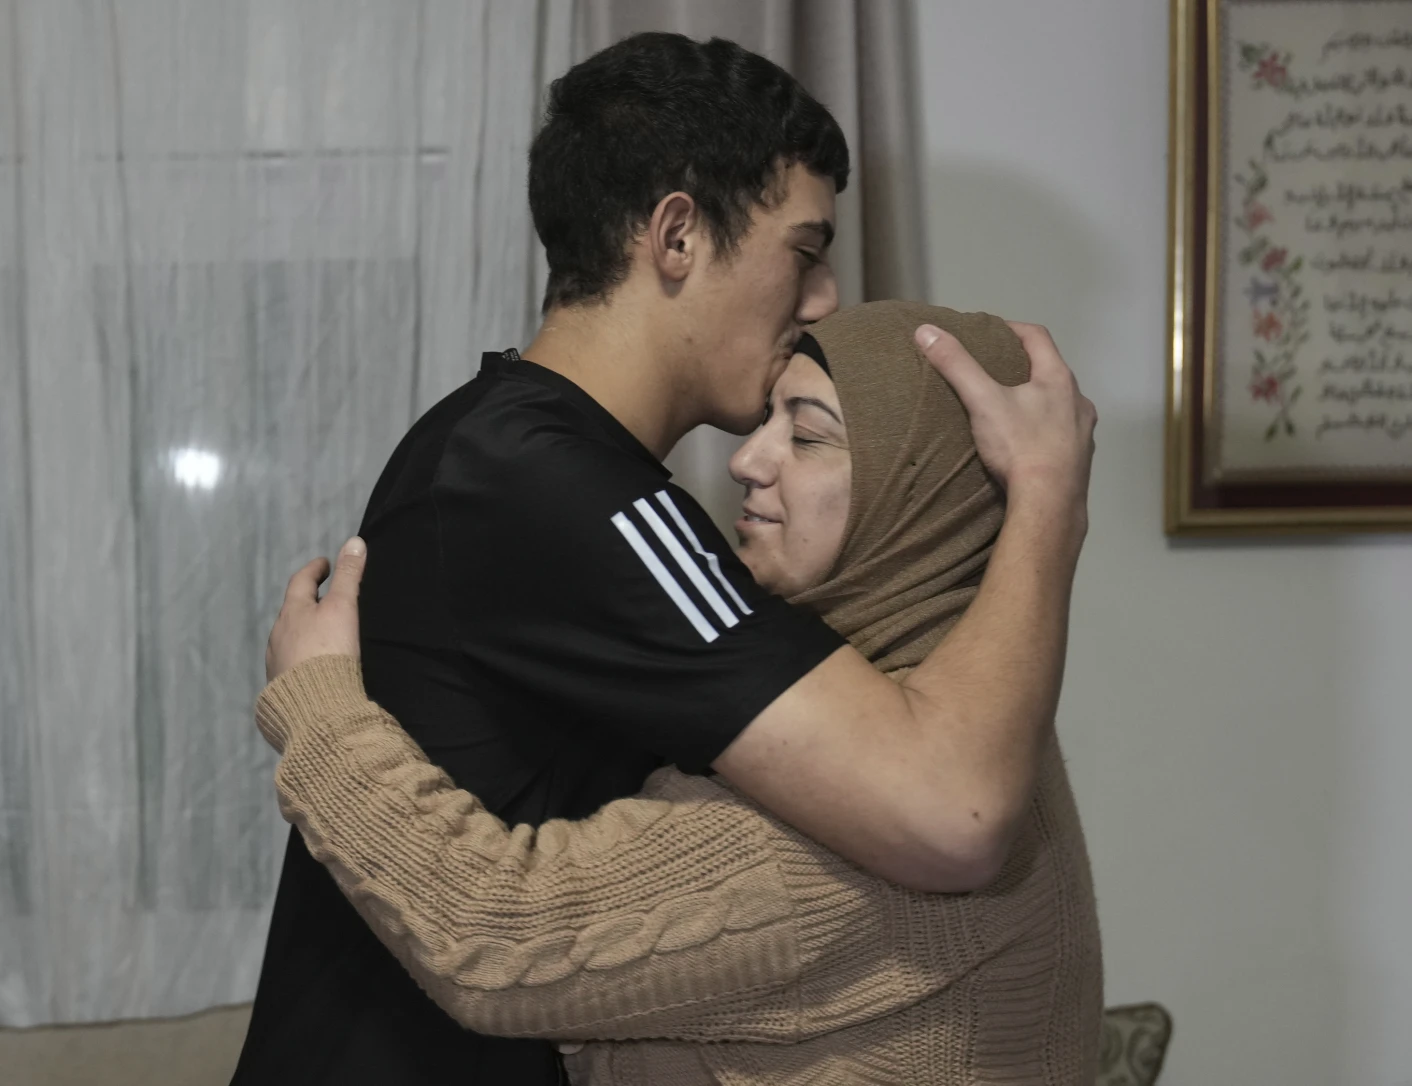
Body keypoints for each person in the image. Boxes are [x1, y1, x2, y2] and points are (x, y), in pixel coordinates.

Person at [235, 32, 1096, 1086]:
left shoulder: (546, 466)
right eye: (804, 248)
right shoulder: (552, 483)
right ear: (678, 236)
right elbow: (951, 810)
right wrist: (1050, 497)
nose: (823, 295)